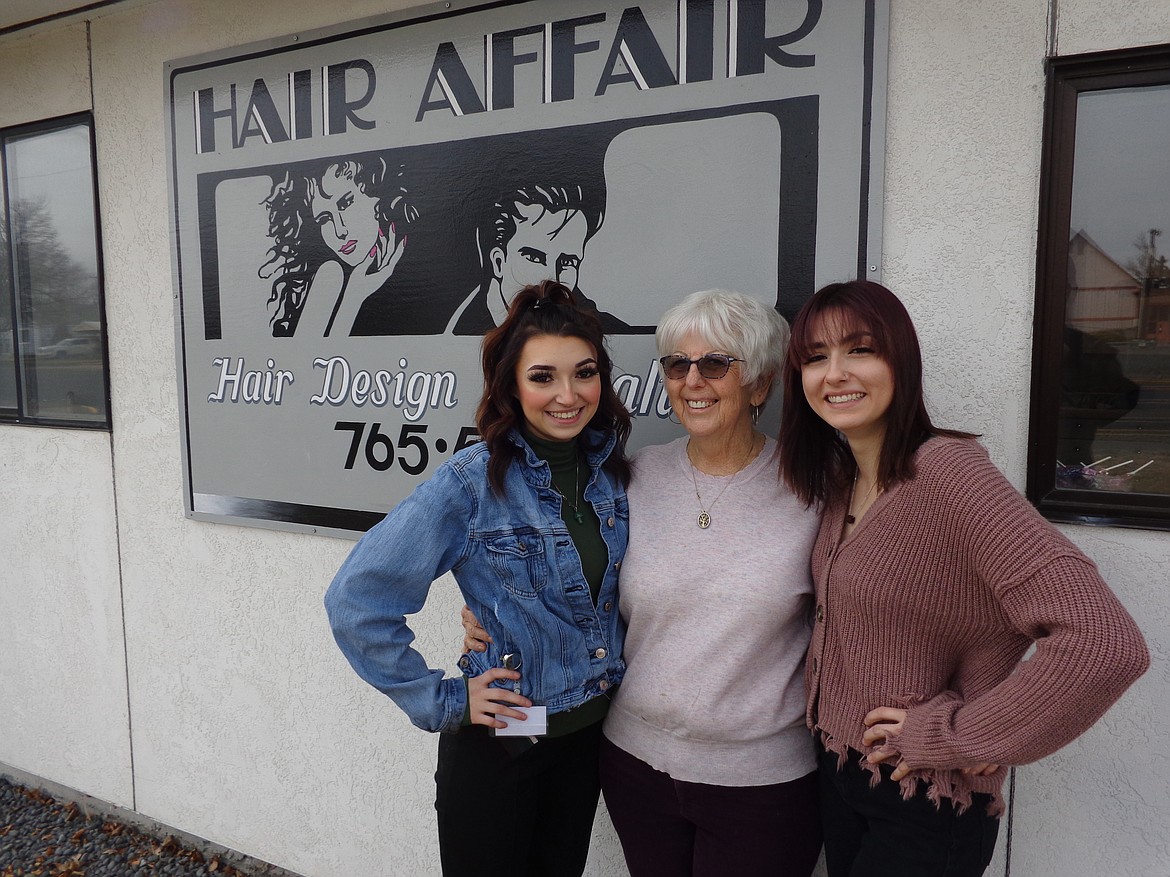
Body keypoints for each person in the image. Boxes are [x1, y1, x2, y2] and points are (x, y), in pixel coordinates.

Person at [777, 279, 1150, 877]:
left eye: (861, 349)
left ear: (901, 359)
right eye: (816, 358)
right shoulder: (842, 480)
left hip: (926, 801)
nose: (836, 373)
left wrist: (961, 734)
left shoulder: (950, 473)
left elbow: (1104, 642)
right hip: (842, 778)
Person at [466, 290, 823, 876]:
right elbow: (573, 575)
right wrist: (502, 609)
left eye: (715, 363)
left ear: (759, 384)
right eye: (676, 364)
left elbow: (869, 605)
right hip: (635, 769)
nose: (692, 381)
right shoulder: (631, 477)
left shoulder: (813, 489)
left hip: (761, 785)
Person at [325, 280, 632, 877]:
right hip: (507, 741)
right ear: (511, 386)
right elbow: (356, 601)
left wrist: (494, 613)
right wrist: (444, 699)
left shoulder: (613, 476)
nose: (568, 395)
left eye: (584, 372)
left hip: (587, 740)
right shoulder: (472, 482)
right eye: (543, 376)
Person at [447, 183, 648, 335]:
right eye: (534, 257)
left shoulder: (605, 331)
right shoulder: (453, 333)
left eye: (568, 262)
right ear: (499, 262)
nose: (552, 278)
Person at [259, 156, 414, 336]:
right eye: (324, 219)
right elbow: (310, 361)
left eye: (346, 203)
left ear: (377, 190)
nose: (340, 231)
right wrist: (353, 297)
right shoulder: (328, 277)